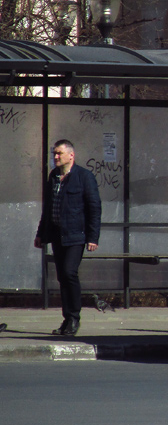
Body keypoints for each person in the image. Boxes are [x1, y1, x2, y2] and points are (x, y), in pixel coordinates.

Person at [33, 139, 102, 337]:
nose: (55, 157)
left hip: (76, 235)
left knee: (69, 272)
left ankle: (74, 318)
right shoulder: (54, 176)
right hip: (56, 234)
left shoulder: (84, 177)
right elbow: (48, 208)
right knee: (62, 276)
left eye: (59, 153)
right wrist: (40, 234)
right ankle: (67, 319)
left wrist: (92, 237)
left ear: (71, 155)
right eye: (54, 153)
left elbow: (94, 208)